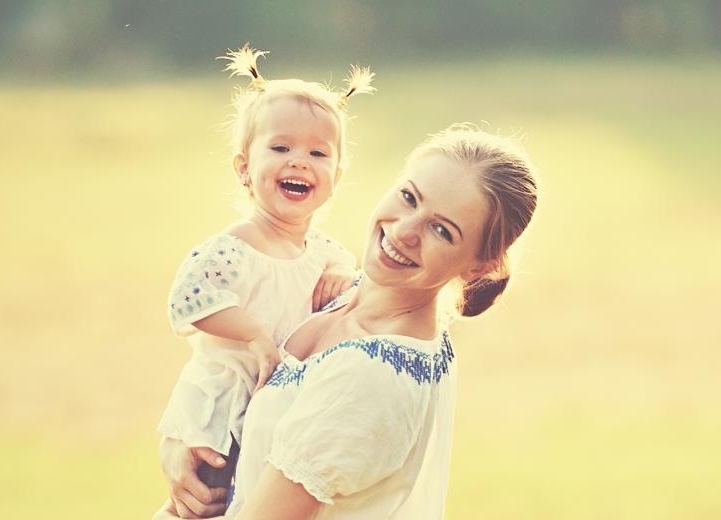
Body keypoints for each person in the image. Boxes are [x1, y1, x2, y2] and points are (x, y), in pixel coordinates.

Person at [159, 124, 539, 519]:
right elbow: (225, 371)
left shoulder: (371, 375)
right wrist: (178, 442)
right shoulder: (332, 289)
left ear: (481, 263)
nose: (405, 231)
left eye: (442, 230)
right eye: (409, 197)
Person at [157, 45, 374, 513]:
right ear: (244, 169)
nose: (299, 161)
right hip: (219, 408)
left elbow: (347, 278)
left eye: (317, 152)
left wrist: (340, 269)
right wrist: (253, 333)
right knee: (202, 502)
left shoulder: (325, 253)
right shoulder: (238, 245)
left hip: (272, 413)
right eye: (280, 148)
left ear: (336, 176)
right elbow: (190, 299)